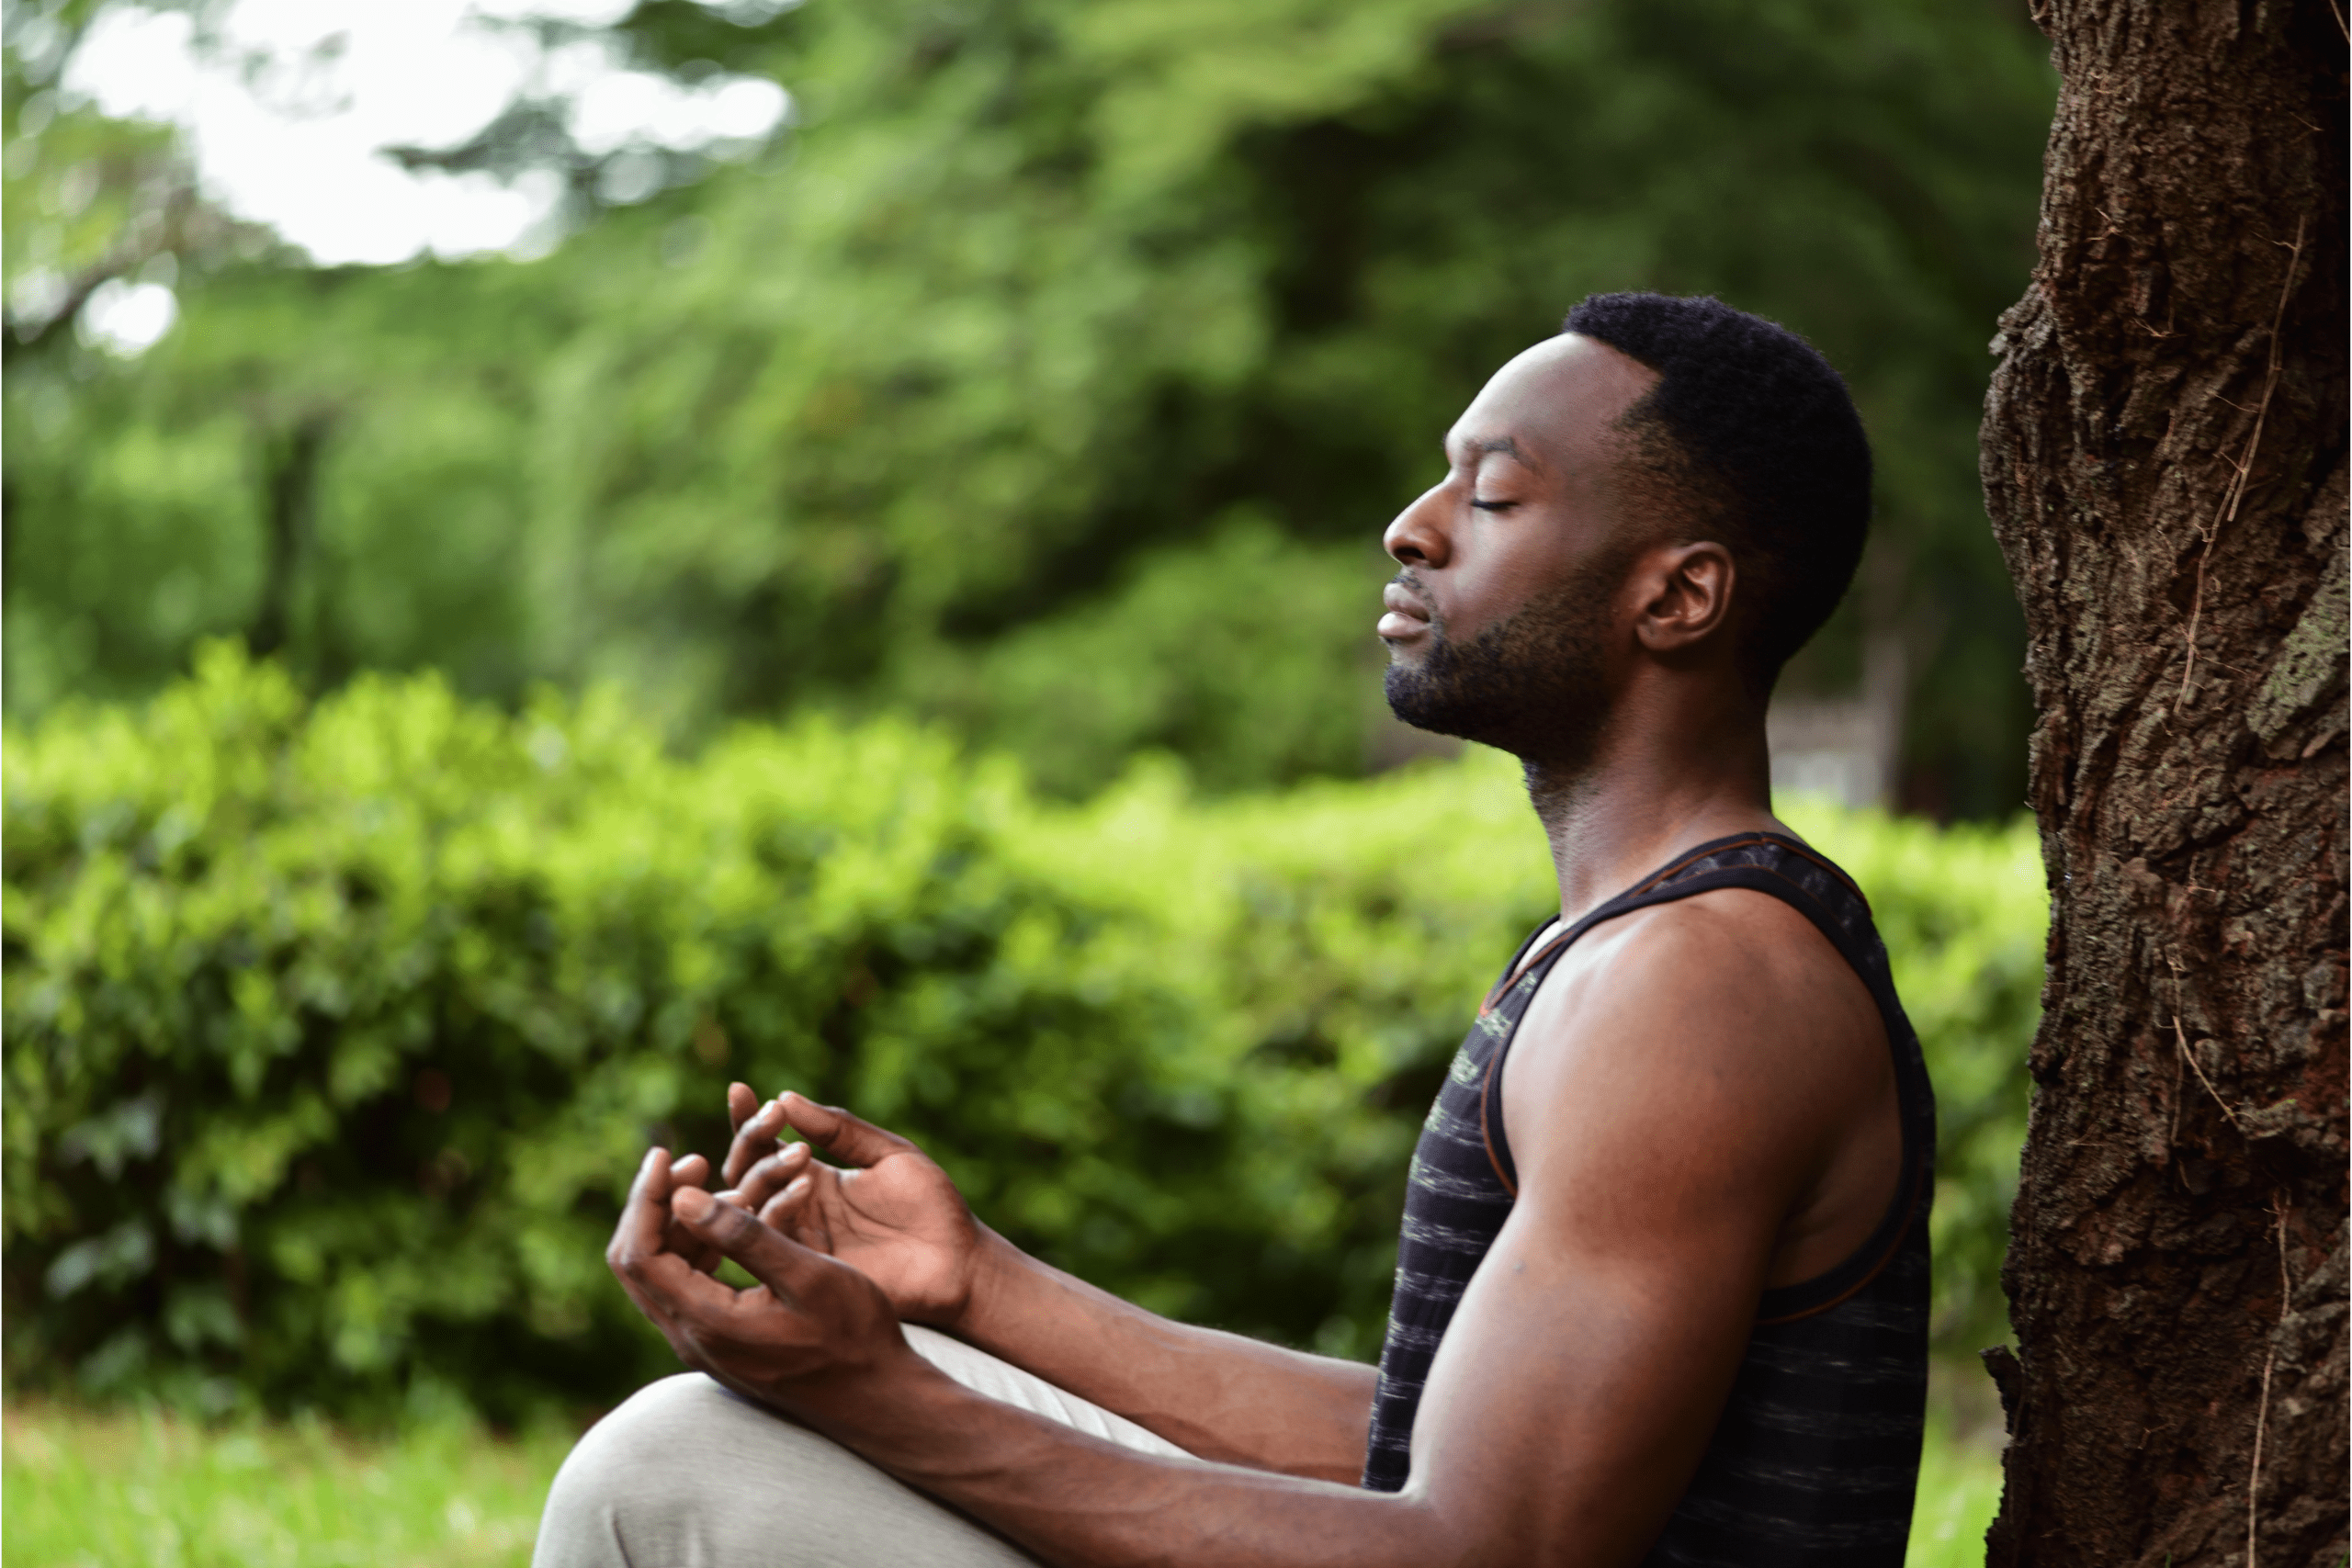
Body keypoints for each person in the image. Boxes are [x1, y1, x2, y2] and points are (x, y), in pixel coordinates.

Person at [532, 291, 1937, 1568]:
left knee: (674, 1472)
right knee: (714, 1441)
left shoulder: (1701, 986)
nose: (1416, 522)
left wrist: (877, 1390)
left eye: (1493, 495)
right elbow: (1426, 1446)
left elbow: (1485, 1547)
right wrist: (973, 1286)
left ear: (1677, 596)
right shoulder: (1648, 943)